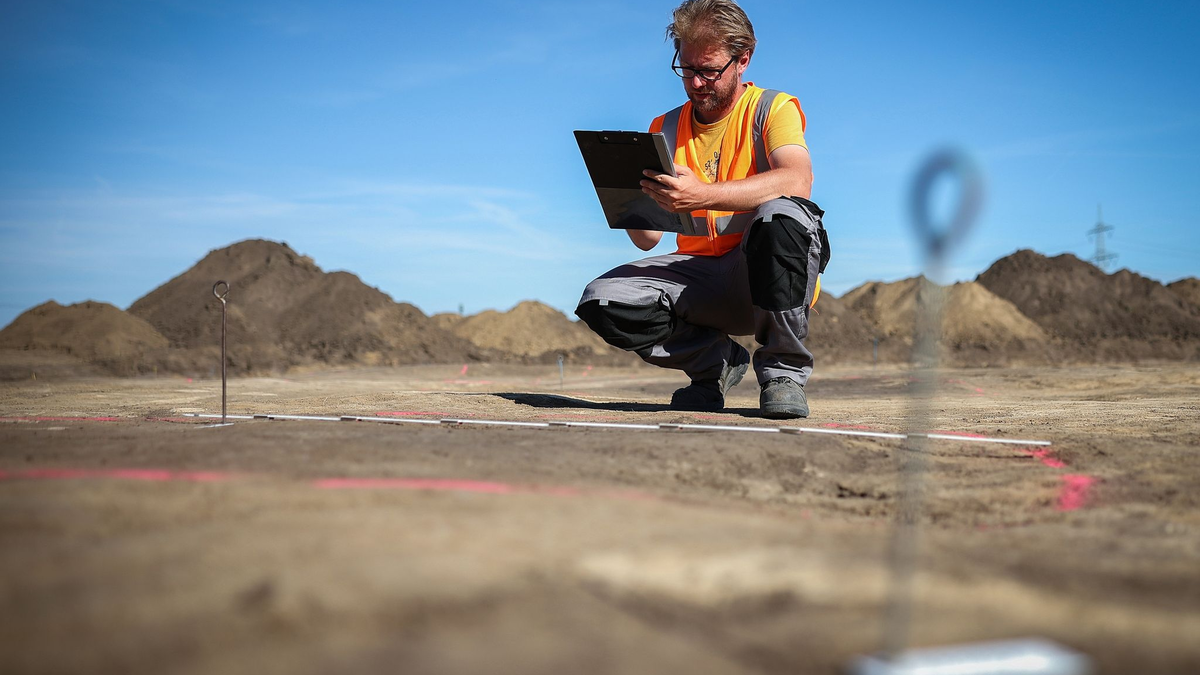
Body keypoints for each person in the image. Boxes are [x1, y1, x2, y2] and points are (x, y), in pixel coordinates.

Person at [575, 0, 829, 419]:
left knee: (783, 216)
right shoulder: (664, 127)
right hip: (701, 281)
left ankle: (783, 373)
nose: (695, 82)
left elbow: (797, 180)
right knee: (602, 299)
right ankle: (715, 364)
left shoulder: (772, 108)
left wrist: (703, 195)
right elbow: (647, 240)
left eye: (708, 70)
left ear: (743, 59)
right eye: (687, 68)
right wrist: (623, 192)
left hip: (762, 277)